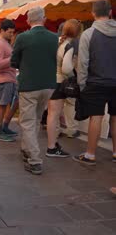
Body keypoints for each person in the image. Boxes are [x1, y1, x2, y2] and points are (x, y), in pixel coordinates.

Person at [11, 6, 67, 175]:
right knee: (35, 119)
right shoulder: (54, 38)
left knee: (27, 122)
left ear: (28, 21)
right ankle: (26, 148)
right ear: (44, 19)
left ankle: (34, 160)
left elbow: (14, 62)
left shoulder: (22, 37)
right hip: (49, 85)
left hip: (29, 85)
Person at [73, 0, 116, 165]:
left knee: (96, 117)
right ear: (110, 13)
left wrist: (82, 84)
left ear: (93, 14)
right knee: (115, 117)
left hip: (96, 81)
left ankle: (90, 155)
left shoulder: (88, 34)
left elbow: (83, 63)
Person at [46, 19, 82, 156]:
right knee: (54, 116)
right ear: (78, 32)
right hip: (59, 82)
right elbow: (66, 69)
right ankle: (51, 147)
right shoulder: (69, 46)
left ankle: (53, 144)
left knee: (52, 115)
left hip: (50, 81)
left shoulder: (57, 42)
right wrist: (74, 71)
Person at [0, 19, 19, 142]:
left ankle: (4, 128)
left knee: (11, 104)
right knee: (2, 105)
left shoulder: (4, 42)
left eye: (12, 32)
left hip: (9, 78)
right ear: (2, 30)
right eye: (9, 32)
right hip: (3, 78)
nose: (11, 34)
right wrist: (12, 58)